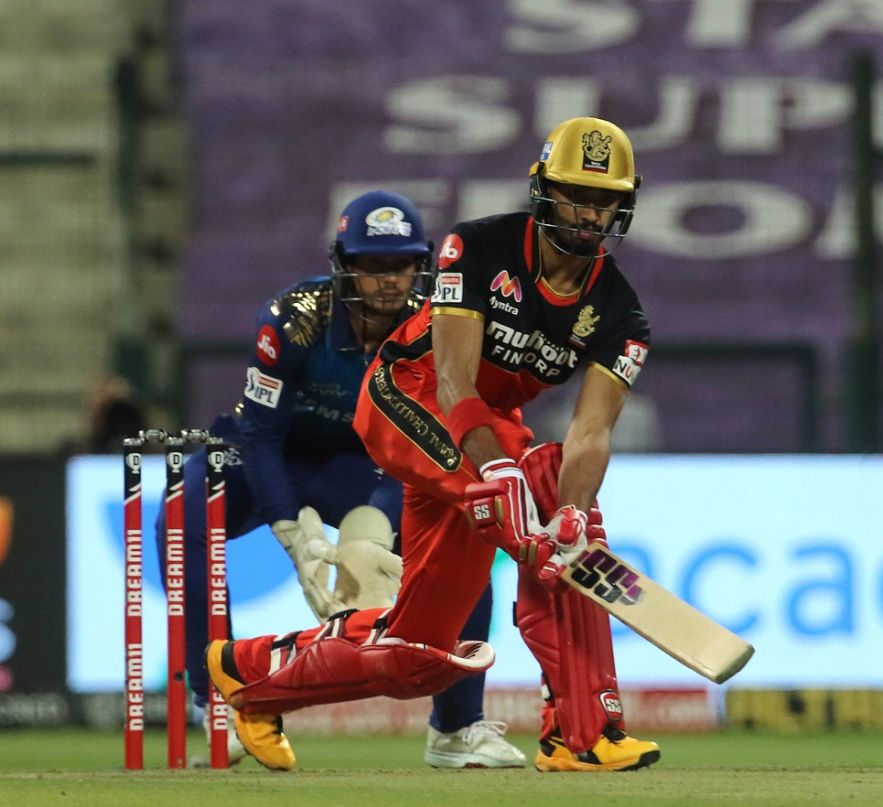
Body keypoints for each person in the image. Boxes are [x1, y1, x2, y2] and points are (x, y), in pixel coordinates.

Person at [207, 116, 661, 773]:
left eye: (605, 200)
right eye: (575, 195)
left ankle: (245, 675)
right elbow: (450, 379)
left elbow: (591, 430)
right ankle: (582, 731)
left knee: (419, 653)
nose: (590, 213)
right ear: (543, 189)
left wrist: (569, 510)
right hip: (405, 397)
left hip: (485, 438)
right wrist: (515, 487)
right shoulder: (475, 247)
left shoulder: (623, 314)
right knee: (536, 515)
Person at [157, 190, 524, 769]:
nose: (387, 281)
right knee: (184, 513)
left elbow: (425, 440)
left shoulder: (442, 326)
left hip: (371, 466)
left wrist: (370, 527)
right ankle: (214, 705)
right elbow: (261, 434)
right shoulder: (293, 319)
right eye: (372, 266)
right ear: (343, 264)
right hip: (276, 457)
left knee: (465, 531)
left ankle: (457, 728)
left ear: (420, 265)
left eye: (400, 265)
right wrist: (290, 529)